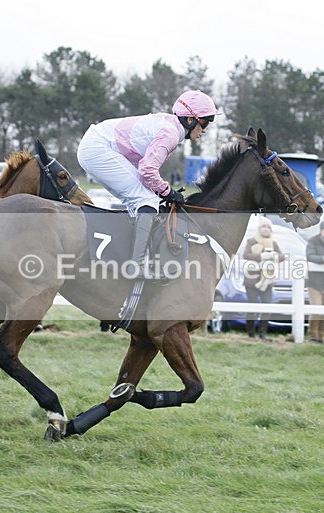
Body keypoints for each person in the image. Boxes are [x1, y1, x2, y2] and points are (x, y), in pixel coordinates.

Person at [77, 89, 219, 278]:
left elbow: (144, 169)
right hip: (97, 148)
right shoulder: (170, 133)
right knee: (146, 200)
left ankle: (129, 253)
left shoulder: (170, 127)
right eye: (205, 122)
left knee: (145, 200)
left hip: (97, 146)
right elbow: (147, 171)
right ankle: (136, 264)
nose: (205, 130)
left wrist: (162, 191)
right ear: (190, 119)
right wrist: (168, 192)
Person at [242, 217, 284, 341]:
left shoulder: (273, 243)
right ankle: (251, 333)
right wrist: (261, 256)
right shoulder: (251, 241)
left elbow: (282, 257)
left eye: (268, 227)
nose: (266, 229)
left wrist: (274, 256)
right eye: (264, 227)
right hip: (252, 280)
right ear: (259, 229)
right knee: (252, 306)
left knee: (267, 306)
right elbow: (246, 255)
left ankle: (263, 333)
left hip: (267, 280)